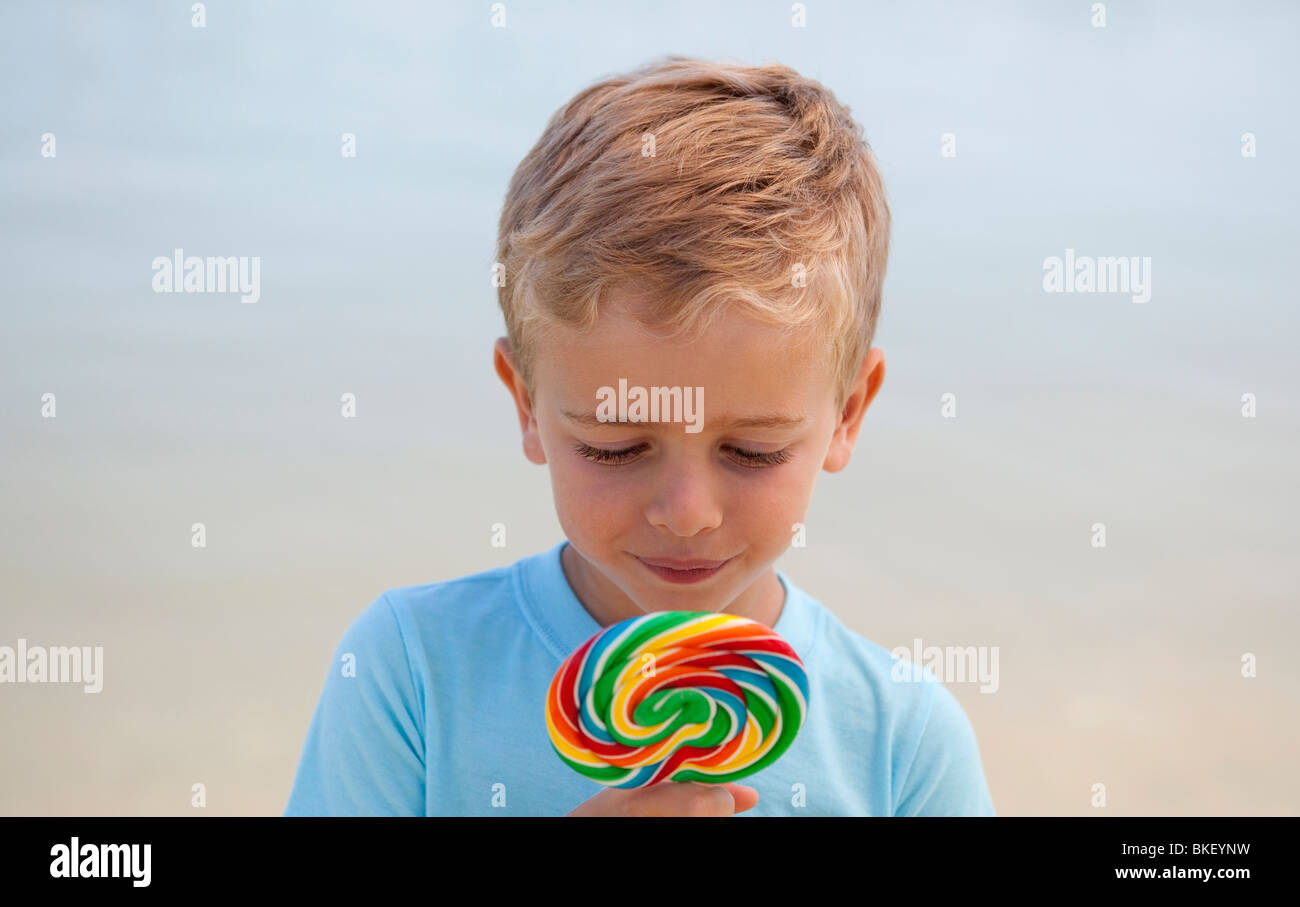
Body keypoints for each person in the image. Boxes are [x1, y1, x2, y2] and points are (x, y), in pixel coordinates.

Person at [285, 56, 995, 817]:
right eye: (613, 447)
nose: (687, 512)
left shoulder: (903, 742)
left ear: (848, 414)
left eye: (752, 451)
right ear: (527, 402)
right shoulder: (411, 670)